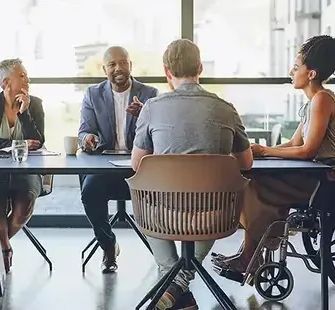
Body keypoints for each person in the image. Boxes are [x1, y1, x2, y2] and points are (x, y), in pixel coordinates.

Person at [213, 35, 335, 274]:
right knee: (254, 181)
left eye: (297, 67)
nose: (291, 71)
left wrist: (266, 150)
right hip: (320, 174)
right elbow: (293, 143)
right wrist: (261, 152)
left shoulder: (322, 99)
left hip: (330, 179)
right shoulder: (314, 102)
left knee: (253, 185)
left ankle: (250, 256)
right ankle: (252, 253)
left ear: (311, 74)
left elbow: (308, 151)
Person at [130, 39, 254, 310]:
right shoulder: (226, 108)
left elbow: (137, 164)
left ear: (166, 72)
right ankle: (179, 289)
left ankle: (173, 282)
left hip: (161, 215)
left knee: (143, 191)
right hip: (214, 214)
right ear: (200, 67)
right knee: (215, 194)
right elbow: (246, 162)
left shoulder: (152, 107)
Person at [78, 46, 159, 273]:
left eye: (123, 63)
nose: (118, 68)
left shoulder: (149, 94)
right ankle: (108, 245)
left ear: (131, 65)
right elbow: (84, 131)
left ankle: (163, 253)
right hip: (105, 165)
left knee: (161, 191)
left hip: (140, 166)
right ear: (105, 69)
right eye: (112, 64)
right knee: (89, 191)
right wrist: (89, 139)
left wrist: (145, 114)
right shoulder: (93, 94)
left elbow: (161, 133)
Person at [0, 58, 45, 273]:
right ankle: (4, 247)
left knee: (24, 205)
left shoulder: (35, 103)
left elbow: (38, 141)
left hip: (27, 169)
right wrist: (17, 144)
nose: (28, 79)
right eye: (22, 75)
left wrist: (24, 113)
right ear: (6, 83)